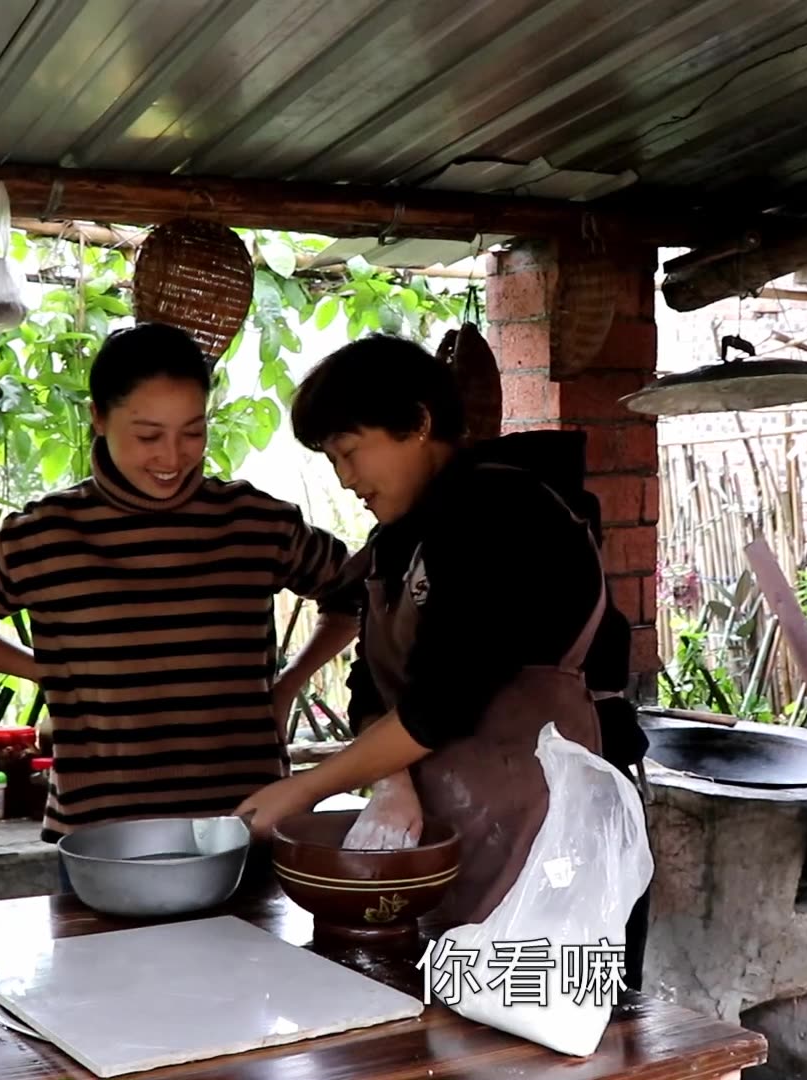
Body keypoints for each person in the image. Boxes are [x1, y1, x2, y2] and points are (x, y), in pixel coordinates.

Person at [233, 335, 650, 964]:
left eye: (350, 451)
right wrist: (392, 782)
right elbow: (373, 689)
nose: (346, 479)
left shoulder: (504, 514)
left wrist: (307, 789)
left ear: (419, 422)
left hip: (562, 836)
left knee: (554, 1036)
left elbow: (443, 702)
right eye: (331, 461)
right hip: (459, 831)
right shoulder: (398, 542)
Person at [0, 322, 360, 843]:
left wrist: (286, 688)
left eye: (193, 432)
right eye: (149, 435)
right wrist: (46, 671)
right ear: (98, 418)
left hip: (241, 827)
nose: (172, 458)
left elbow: (357, 593)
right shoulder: (44, 535)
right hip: (101, 836)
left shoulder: (255, 522)